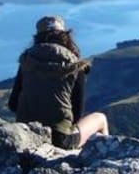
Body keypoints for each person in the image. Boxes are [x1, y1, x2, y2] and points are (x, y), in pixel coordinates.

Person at [7, 15, 109, 149]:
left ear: (37, 37)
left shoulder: (27, 60)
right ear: (65, 36)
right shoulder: (75, 65)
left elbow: (13, 104)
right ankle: (98, 158)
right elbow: (77, 112)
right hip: (60, 139)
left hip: (27, 135)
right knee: (100, 118)